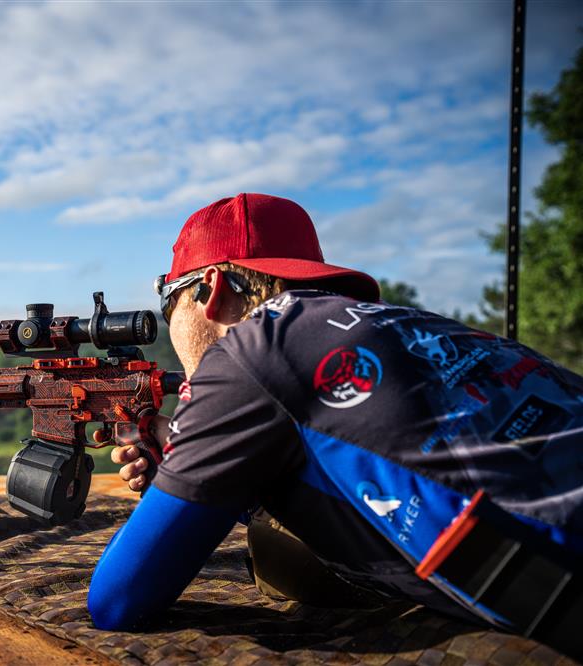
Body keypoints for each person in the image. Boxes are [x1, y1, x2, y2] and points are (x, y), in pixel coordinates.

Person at [87, 193, 583, 655]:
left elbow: (117, 600)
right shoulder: (399, 321)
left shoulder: (252, 347)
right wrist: (197, 471)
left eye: (170, 301)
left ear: (210, 290)